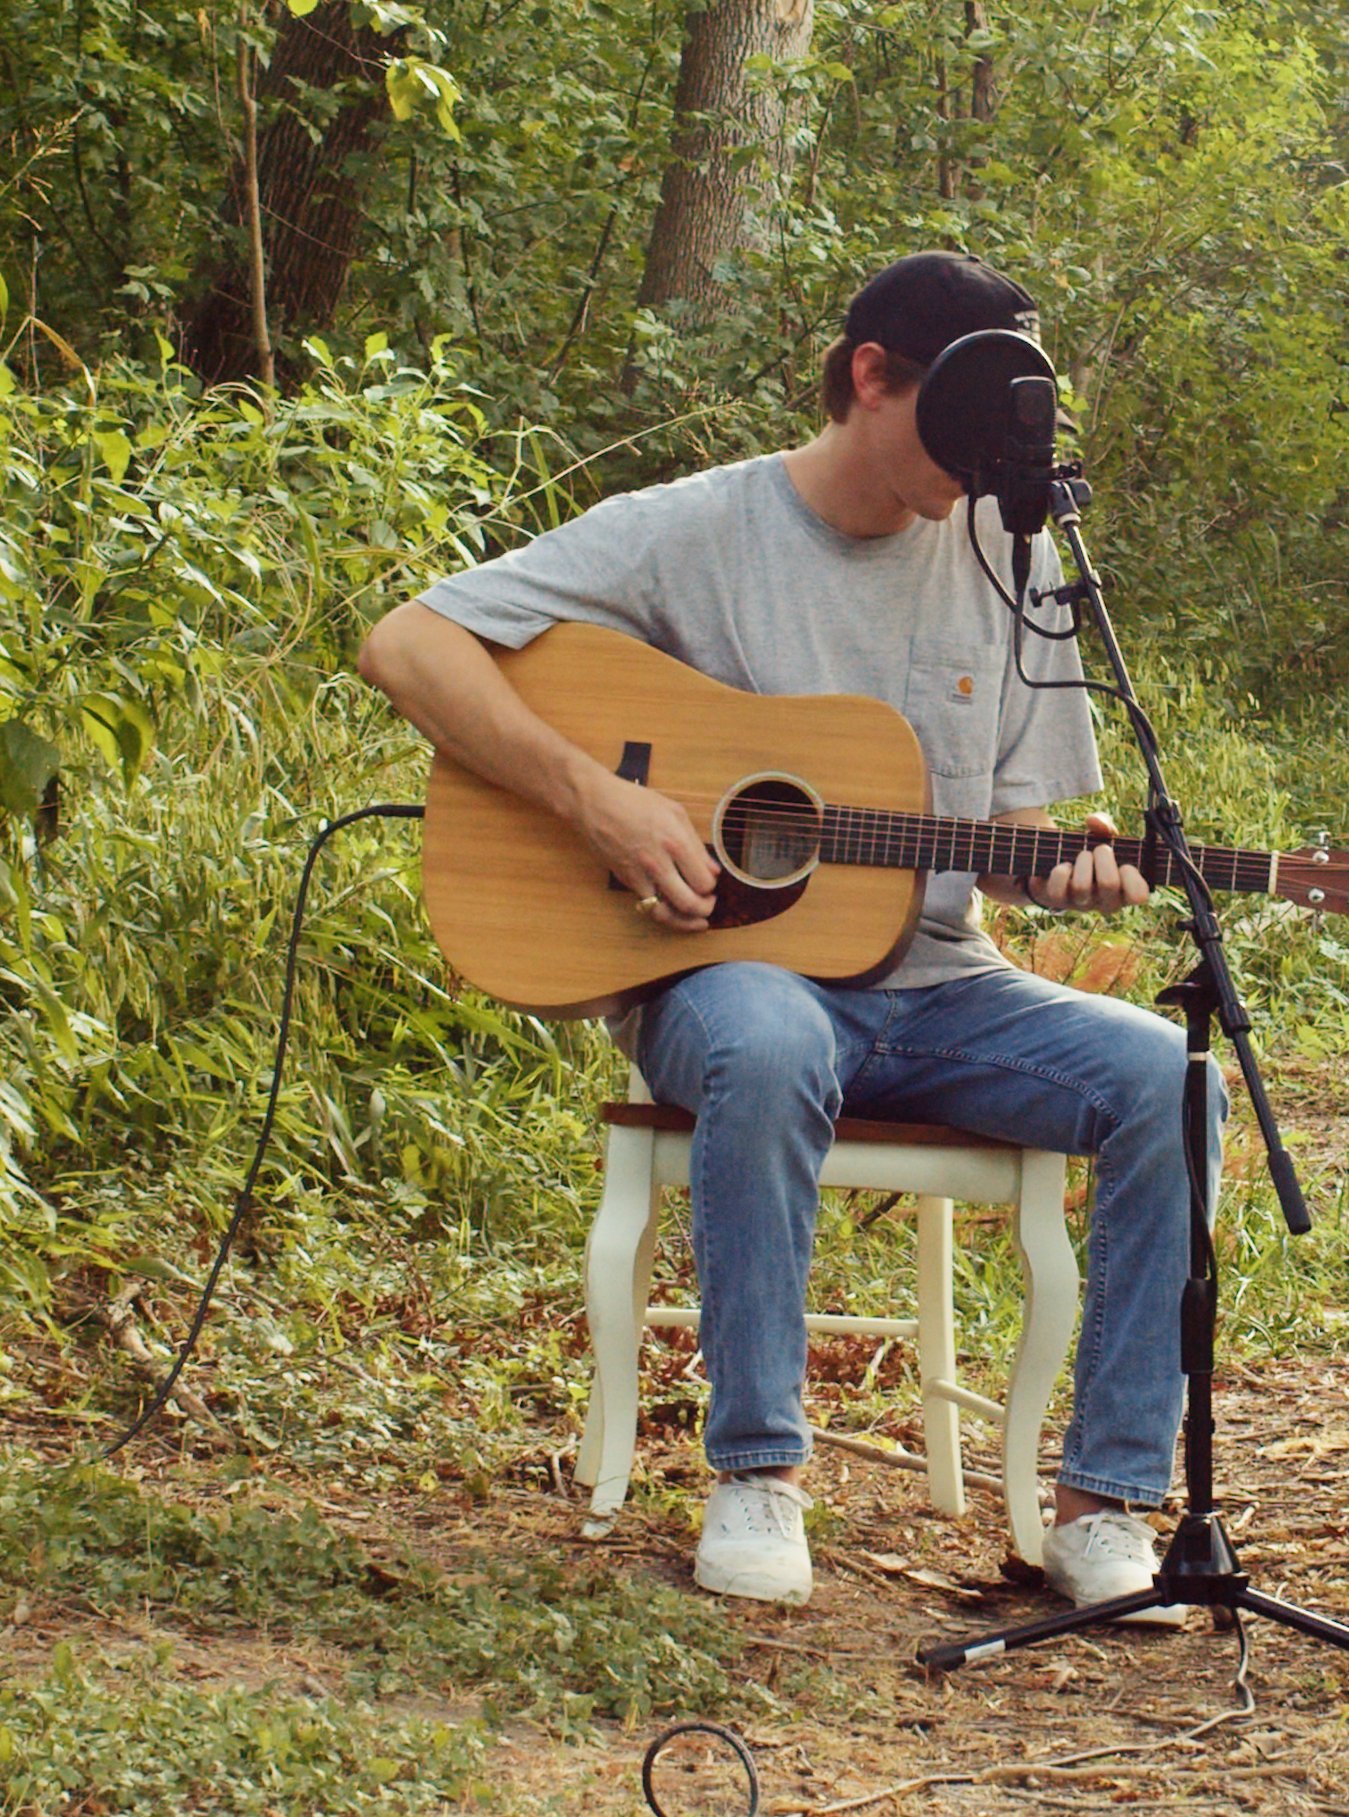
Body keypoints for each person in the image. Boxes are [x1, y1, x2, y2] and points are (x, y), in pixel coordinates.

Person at [354, 253, 1201, 1615]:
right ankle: (758, 1470)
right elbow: (408, 645)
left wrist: (1070, 875)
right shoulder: (697, 528)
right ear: (870, 377)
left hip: (941, 986)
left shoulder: (1013, 553)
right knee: (763, 1036)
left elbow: (1020, 832)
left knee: (1170, 1078)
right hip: (726, 978)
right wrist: (599, 801)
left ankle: (1104, 1503)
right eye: (956, 424)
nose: (979, 468)